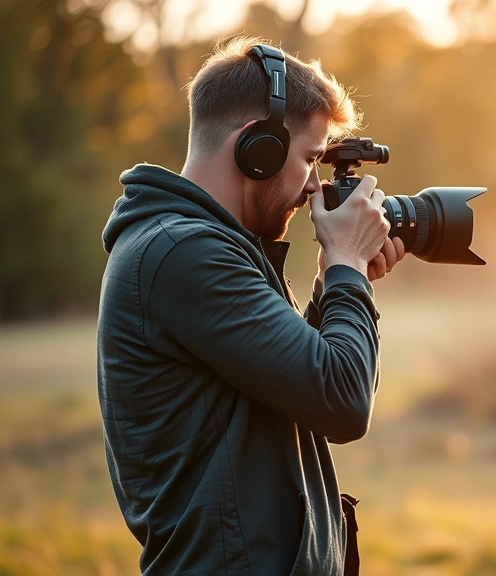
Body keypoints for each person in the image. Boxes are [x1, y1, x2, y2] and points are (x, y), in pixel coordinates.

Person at [97, 36, 403, 574]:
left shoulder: (204, 246)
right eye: (310, 159)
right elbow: (344, 401)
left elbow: (301, 395)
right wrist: (348, 268)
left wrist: (333, 283)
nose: (314, 187)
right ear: (257, 148)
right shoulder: (183, 253)